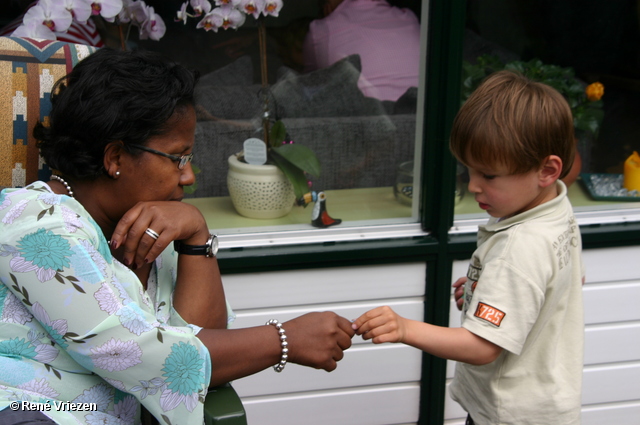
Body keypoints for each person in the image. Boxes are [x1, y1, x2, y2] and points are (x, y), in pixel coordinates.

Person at [0, 48, 354, 425]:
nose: (189, 177)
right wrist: (284, 339)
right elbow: (132, 352)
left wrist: (196, 234)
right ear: (115, 157)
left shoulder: (148, 227)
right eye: (178, 158)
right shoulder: (34, 223)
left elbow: (202, 342)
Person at [353, 70, 585, 424]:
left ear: (547, 170)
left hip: (509, 416)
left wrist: (404, 328)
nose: (473, 185)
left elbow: (483, 348)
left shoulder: (519, 247)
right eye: (468, 170)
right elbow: (563, 281)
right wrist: (491, 292)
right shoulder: (556, 210)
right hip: (545, 406)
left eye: (488, 175)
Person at [302, 0, 421, 101]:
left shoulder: (320, 31)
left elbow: (308, 93)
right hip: (420, 123)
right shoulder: (409, 18)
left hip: (368, 124)